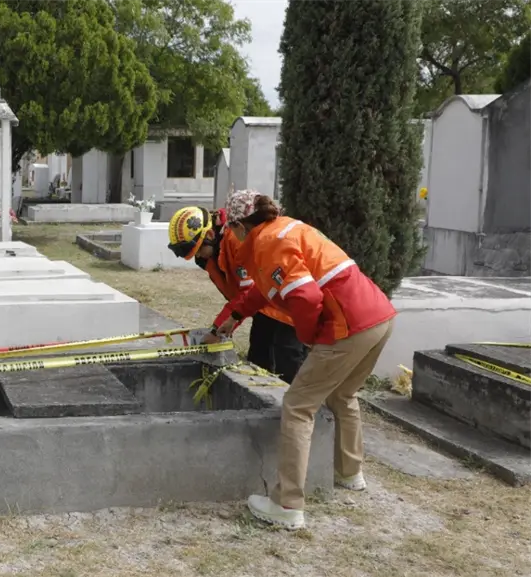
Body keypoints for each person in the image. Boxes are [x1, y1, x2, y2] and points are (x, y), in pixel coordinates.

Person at [209, 190, 396, 530]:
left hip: (349, 325)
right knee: (343, 394)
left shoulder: (267, 244)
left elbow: (306, 296)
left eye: (230, 229)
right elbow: (260, 292)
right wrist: (228, 320)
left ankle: (286, 503)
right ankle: (349, 473)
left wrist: (308, 336)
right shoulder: (285, 229)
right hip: (379, 316)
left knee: (297, 405)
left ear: (237, 225)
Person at [167, 204, 308, 382]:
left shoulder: (235, 240)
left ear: (210, 235)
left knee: (288, 359)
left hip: (285, 302)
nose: (200, 257)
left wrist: (217, 329)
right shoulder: (211, 254)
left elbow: (246, 290)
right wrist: (227, 323)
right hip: (263, 304)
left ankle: (299, 405)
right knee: (258, 357)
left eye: (200, 251)